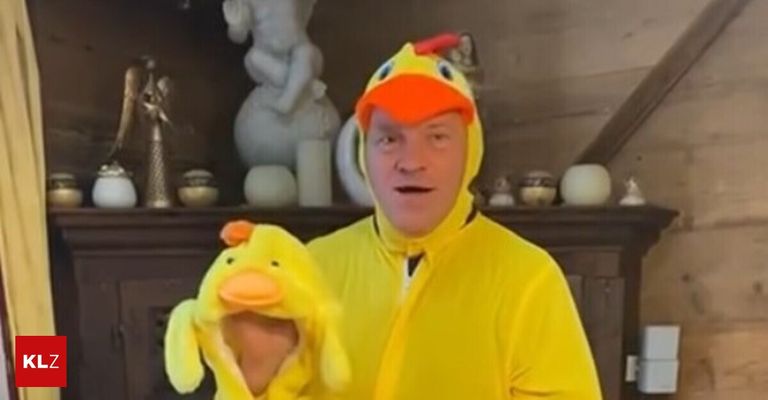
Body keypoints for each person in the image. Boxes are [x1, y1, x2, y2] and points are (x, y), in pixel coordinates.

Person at [223, 35, 602, 399]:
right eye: (389, 139)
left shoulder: (529, 282)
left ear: (470, 150)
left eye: (437, 137)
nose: (411, 162)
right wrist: (251, 385)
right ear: (364, 155)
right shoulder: (308, 270)